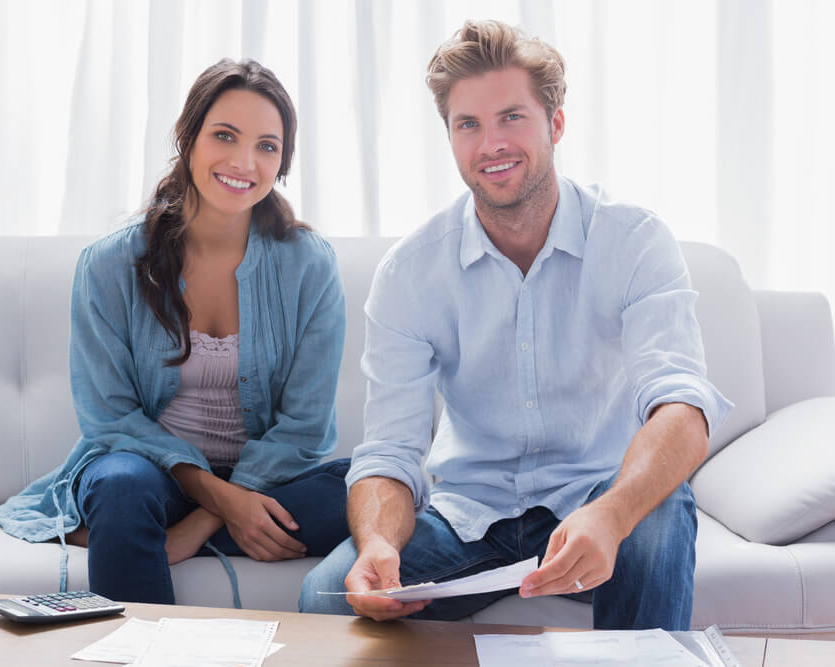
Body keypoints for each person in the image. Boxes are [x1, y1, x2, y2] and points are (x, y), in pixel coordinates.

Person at [299, 20, 731, 631]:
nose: (490, 143)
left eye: (511, 118)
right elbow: (390, 451)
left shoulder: (634, 240)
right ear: (449, 139)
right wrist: (378, 546)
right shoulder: (410, 273)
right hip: (467, 513)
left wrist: (611, 514)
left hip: (597, 500)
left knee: (660, 518)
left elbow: (682, 408)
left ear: (555, 124)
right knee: (324, 595)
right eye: (467, 125)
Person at [0, 59, 350, 605]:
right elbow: (108, 415)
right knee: (119, 487)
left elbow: (305, 426)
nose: (243, 161)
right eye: (224, 136)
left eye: (267, 146)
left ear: (282, 163)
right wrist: (217, 497)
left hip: (268, 479)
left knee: (364, 490)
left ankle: (133, 543)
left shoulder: (310, 265)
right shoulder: (108, 264)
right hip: (150, 473)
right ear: (187, 139)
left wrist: (204, 521)